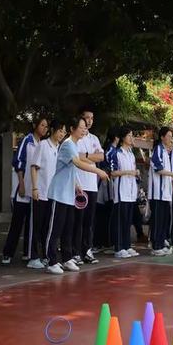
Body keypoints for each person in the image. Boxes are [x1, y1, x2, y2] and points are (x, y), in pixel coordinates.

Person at [44, 117, 108, 275]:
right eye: (81, 127)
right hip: (58, 194)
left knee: (68, 228)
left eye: (85, 127)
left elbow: (71, 170)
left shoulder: (74, 145)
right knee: (55, 229)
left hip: (68, 195)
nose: (84, 130)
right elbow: (78, 163)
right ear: (72, 129)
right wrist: (98, 170)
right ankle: (51, 261)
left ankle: (67, 259)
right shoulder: (67, 145)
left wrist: (78, 186)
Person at [2, 116, 48, 265]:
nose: (44, 128)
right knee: (17, 222)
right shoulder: (27, 141)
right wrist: (21, 184)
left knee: (31, 224)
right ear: (35, 125)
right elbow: (18, 163)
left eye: (46, 126)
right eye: (42, 125)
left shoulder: (43, 144)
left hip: (36, 191)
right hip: (23, 189)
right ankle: (7, 253)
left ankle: (28, 253)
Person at [29, 120, 66, 269]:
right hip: (41, 192)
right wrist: (34, 188)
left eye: (64, 132)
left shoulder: (59, 148)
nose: (62, 134)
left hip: (52, 195)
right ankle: (33, 257)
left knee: (46, 227)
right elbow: (34, 167)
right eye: (60, 131)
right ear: (53, 130)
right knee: (36, 226)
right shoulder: (43, 145)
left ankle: (45, 256)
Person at [73, 108, 104, 265]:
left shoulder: (94, 138)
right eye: (87, 118)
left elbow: (101, 156)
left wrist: (86, 156)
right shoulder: (76, 139)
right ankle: (75, 252)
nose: (90, 121)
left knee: (89, 221)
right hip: (80, 184)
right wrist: (90, 157)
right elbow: (77, 158)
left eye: (92, 118)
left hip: (92, 185)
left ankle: (87, 250)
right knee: (78, 220)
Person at [149, 127, 173, 255]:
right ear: (162, 137)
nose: (170, 139)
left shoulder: (166, 152)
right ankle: (156, 246)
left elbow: (165, 172)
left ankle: (161, 243)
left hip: (165, 193)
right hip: (157, 193)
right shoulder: (158, 149)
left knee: (164, 220)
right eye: (168, 136)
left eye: (171, 136)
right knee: (158, 220)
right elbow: (158, 168)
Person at [109, 127, 140, 258]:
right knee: (120, 221)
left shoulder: (131, 154)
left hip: (131, 192)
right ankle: (118, 247)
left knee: (127, 221)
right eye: (129, 135)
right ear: (123, 138)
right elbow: (113, 172)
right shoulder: (117, 153)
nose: (131, 138)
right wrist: (128, 172)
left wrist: (136, 174)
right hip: (121, 192)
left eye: (132, 135)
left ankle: (127, 245)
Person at [94, 127, 119, 254]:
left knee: (105, 216)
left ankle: (104, 242)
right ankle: (100, 243)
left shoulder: (113, 150)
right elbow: (109, 170)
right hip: (104, 187)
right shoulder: (110, 150)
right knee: (102, 216)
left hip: (107, 188)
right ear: (116, 137)